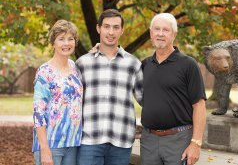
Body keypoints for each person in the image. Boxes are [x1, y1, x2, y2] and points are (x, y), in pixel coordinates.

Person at [76, 9, 143, 165]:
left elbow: (146, 100)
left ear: (122, 30)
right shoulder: (83, 63)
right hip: (89, 140)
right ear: (98, 28)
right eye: (106, 26)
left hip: (121, 140)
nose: (111, 32)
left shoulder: (133, 64)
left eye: (115, 27)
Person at [140, 13, 207, 165]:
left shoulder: (188, 65)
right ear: (151, 33)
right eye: (157, 29)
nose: (160, 34)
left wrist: (196, 143)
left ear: (174, 35)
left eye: (166, 30)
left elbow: (199, 105)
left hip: (179, 140)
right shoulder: (144, 65)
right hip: (149, 141)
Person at [32, 20, 83, 165]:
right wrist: (44, 148)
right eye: (61, 39)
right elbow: (38, 113)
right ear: (53, 42)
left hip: (73, 143)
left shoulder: (76, 68)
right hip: (51, 143)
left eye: (70, 39)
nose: (66, 43)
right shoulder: (44, 72)